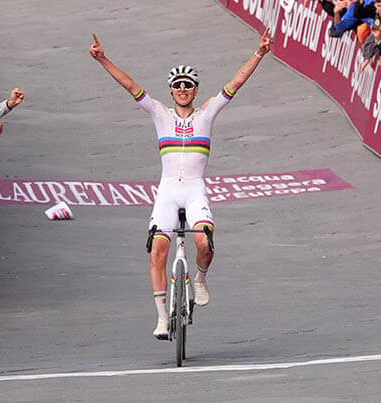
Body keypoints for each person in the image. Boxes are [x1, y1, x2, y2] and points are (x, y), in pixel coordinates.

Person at [88, 29, 271, 340]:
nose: (183, 90)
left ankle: (199, 278)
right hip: (169, 191)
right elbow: (130, 85)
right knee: (158, 250)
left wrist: (259, 53)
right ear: (171, 91)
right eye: (177, 86)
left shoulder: (207, 113)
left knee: (203, 243)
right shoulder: (160, 114)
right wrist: (103, 59)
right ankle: (161, 317)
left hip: (195, 189)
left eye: (188, 86)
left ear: (196, 91)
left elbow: (236, 84)